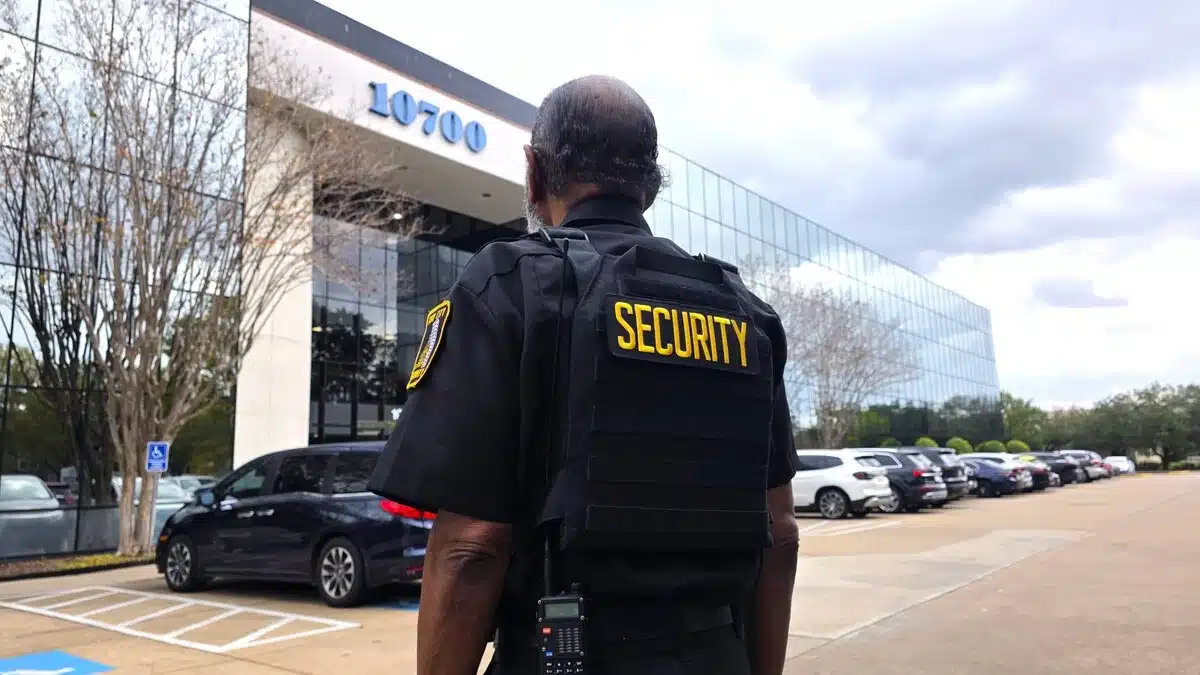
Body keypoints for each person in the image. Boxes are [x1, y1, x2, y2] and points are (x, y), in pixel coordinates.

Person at [368, 74, 799, 675]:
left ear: (535, 172)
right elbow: (779, 537)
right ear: (649, 185)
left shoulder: (510, 285)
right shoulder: (746, 313)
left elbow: (470, 548)